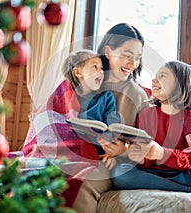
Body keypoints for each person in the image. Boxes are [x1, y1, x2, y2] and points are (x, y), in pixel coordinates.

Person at [110, 60, 191, 195]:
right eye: (156, 76)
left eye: (162, 76)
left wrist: (162, 153)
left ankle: (176, 186)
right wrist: (138, 157)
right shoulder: (146, 114)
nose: (154, 80)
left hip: (187, 173)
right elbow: (145, 158)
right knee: (119, 173)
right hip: (155, 173)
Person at [21, 49, 120, 211]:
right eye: (94, 66)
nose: (100, 71)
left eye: (102, 69)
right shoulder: (63, 93)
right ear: (77, 72)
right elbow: (48, 120)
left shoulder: (106, 97)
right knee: (53, 166)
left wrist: (112, 149)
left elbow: (113, 127)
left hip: (95, 148)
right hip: (66, 148)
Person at [71, 23, 151, 212]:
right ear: (108, 51)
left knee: (83, 182)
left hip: (108, 162)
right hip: (75, 153)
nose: (133, 64)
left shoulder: (138, 95)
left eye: (137, 58)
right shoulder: (86, 80)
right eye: (127, 56)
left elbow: (147, 144)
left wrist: (122, 151)